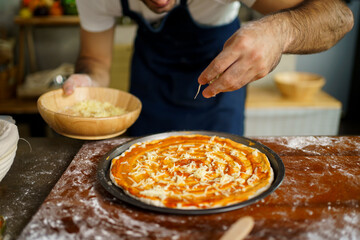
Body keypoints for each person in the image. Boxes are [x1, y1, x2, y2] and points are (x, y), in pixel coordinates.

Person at [63, 0, 354, 136]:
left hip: (219, 97)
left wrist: (280, 32)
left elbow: (339, 15)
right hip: (149, 86)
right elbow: (96, 61)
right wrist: (87, 80)